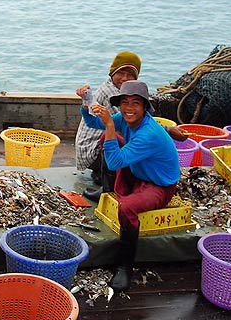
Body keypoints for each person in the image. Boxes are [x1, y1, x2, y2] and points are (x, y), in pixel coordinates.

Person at [82, 80, 180, 291]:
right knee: (106, 138)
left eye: (136, 103)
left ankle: (125, 267)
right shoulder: (125, 119)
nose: (129, 108)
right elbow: (94, 124)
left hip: (159, 186)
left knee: (126, 208)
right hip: (138, 171)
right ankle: (106, 190)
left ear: (145, 107)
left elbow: (115, 162)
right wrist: (86, 104)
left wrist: (109, 125)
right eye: (124, 102)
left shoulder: (148, 134)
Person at [75, 51, 141, 200]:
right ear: (112, 73)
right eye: (120, 73)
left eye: (129, 75)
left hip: (93, 148)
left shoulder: (123, 91)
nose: (124, 78)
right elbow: (130, 125)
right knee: (128, 145)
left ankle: (103, 174)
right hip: (92, 151)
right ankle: (109, 188)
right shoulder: (113, 94)